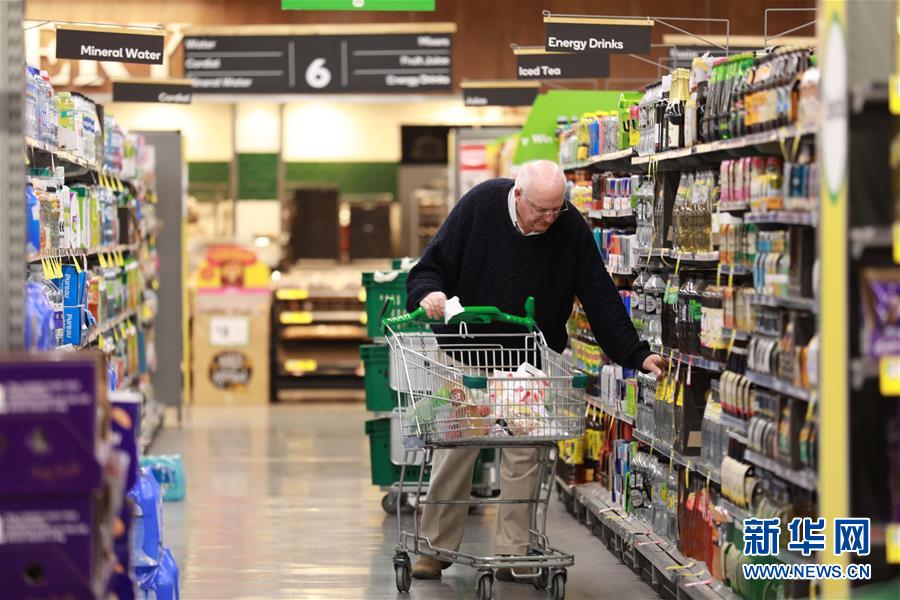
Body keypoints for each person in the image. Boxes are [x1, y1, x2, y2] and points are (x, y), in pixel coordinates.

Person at [405, 159, 666, 582]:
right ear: (518, 195)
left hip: (526, 364)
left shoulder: (569, 226)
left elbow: (598, 295)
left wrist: (635, 354)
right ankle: (434, 548)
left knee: (524, 455)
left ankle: (513, 552)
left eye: (556, 209)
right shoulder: (481, 205)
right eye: (541, 209)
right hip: (465, 355)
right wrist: (429, 293)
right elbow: (431, 265)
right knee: (455, 451)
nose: (549, 218)